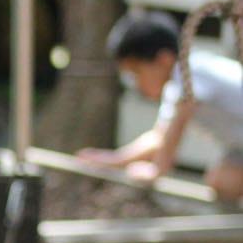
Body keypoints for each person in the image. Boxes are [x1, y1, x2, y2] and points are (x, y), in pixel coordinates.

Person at [77, 11, 243, 202]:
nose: (136, 83)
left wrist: (158, 169)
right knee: (222, 183)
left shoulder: (191, 71)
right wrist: (112, 161)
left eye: (136, 72)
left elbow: (179, 122)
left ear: (163, 59)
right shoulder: (176, 86)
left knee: (225, 182)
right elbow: (159, 137)